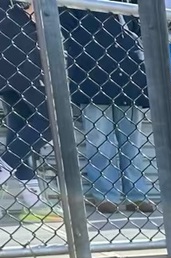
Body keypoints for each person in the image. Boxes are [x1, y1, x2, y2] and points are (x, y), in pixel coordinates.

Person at [62, 1, 156, 215]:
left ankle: (136, 194)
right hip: (93, 76)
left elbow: (140, 31)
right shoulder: (76, 5)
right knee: (100, 139)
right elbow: (66, 29)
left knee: (131, 140)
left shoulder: (126, 5)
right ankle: (106, 194)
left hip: (126, 76)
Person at [0, 0, 61, 223]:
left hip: (13, 36)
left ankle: (33, 202)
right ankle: (3, 169)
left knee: (20, 120)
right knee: (51, 119)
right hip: (16, 37)